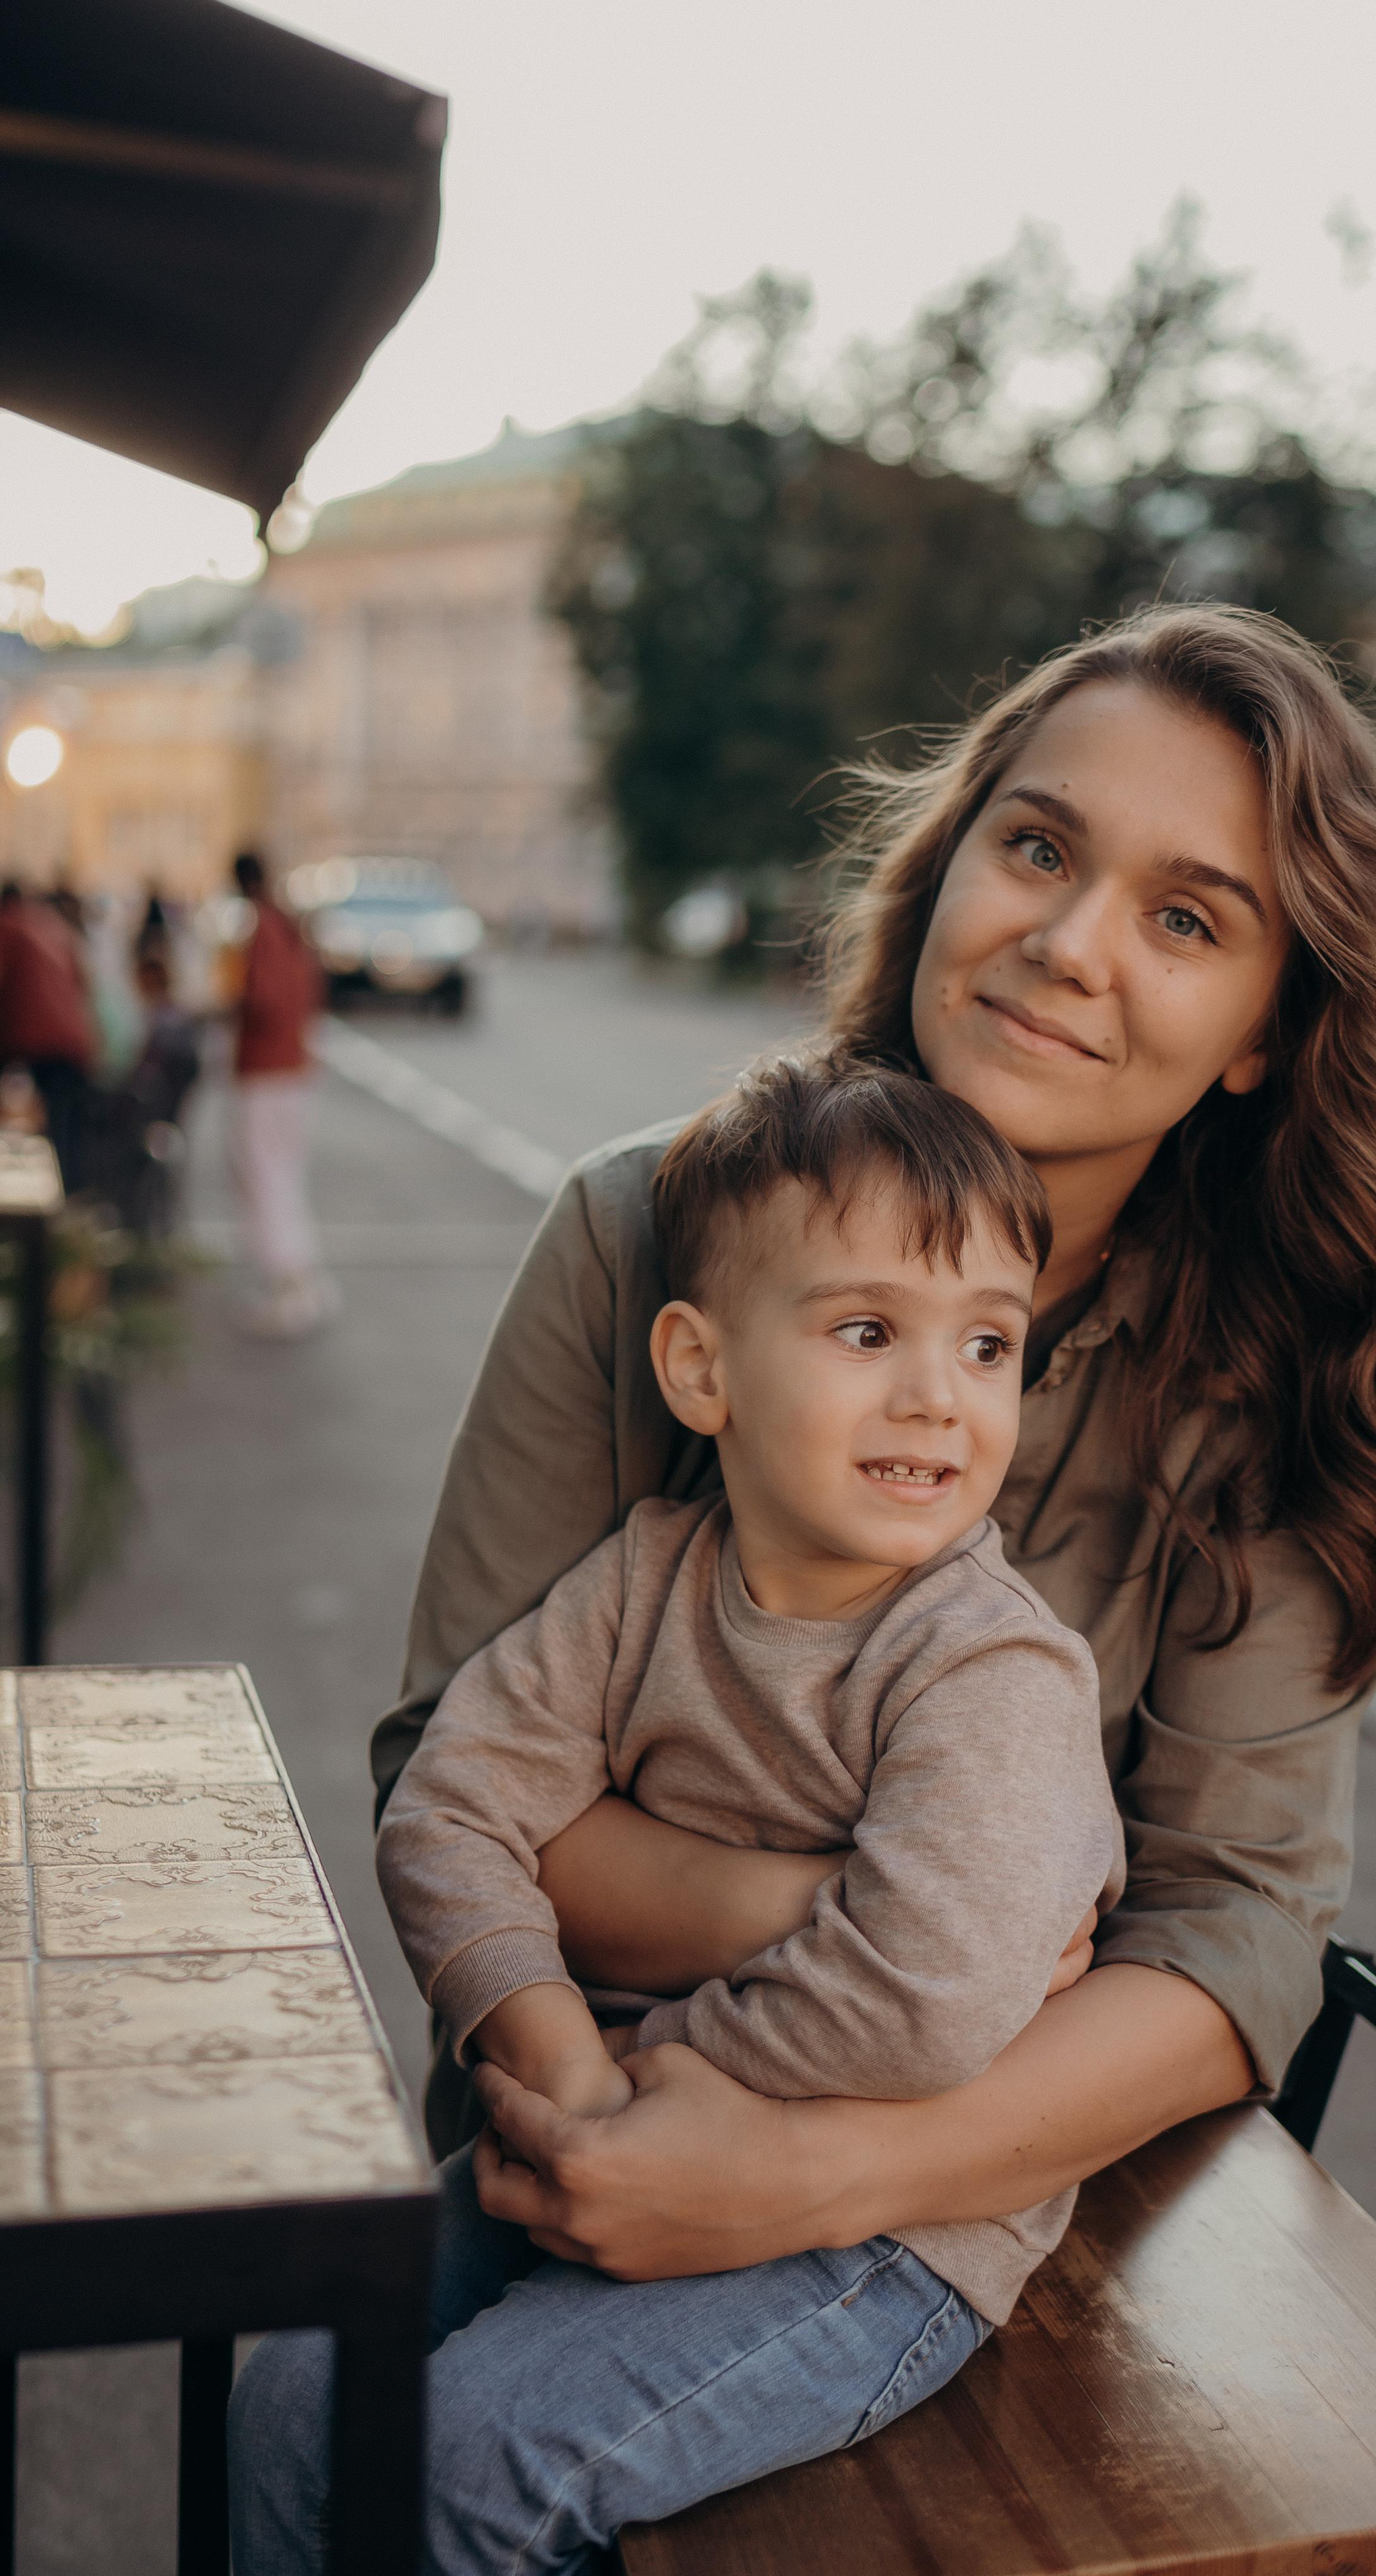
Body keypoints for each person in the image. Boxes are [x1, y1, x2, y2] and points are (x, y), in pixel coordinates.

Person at [243, 603, 1376, 2565]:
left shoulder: (1280, 1371)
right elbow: (458, 1771)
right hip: (565, 2102)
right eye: (1037, 845)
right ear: (945, 868)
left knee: (459, 2478)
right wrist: (865, 1918)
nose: (1069, 941)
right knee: (282, 2416)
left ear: (1265, 1029)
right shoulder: (642, 1230)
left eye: (1186, 918)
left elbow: (1236, 1925)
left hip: (976, 2197)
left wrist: (819, 2171)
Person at [231, 1062, 1127, 2569]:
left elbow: (921, 1999)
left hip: (879, 2234)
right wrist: (563, 2067)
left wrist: (653, 2086)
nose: (938, 1394)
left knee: (469, 2459)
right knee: (290, 2402)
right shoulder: (645, 1580)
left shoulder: (990, 1667)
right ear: (701, 1370)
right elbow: (447, 1811)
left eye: (987, 1343)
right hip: (601, 2124)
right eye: (867, 1331)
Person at [224, 846, 333, 1338]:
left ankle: (287, 1287)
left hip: (266, 1069)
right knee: (285, 1175)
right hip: (293, 1065)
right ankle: (303, 1279)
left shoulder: (264, 928)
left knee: (265, 1177)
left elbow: (263, 999)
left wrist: (230, 1008)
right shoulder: (289, 924)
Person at [0, 879, 97, 1190]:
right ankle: (70, 1191)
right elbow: (83, 982)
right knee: (66, 1123)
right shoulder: (53, 925)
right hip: (76, 1038)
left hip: (36, 1038)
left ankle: (52, 1193)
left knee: (56, 1121)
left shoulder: (9, 926)